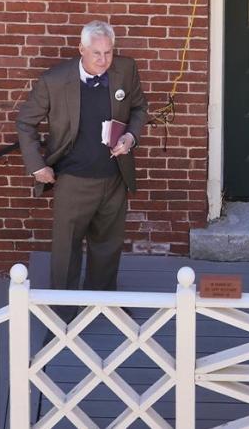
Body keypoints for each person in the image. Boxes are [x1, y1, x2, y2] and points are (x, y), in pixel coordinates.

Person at [16, 20, 149, 294]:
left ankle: (102, 307)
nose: (103, 60)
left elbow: (138, 108)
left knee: (108, 248)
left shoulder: (126, 69)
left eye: (108, 52)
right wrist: (37, 166)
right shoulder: (53, 81)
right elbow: (25, 123)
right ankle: (62, 318)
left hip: (114, 176)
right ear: (81, 49)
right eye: (96, 53)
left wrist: (130, 137)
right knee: (66, 252)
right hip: (73, 180)